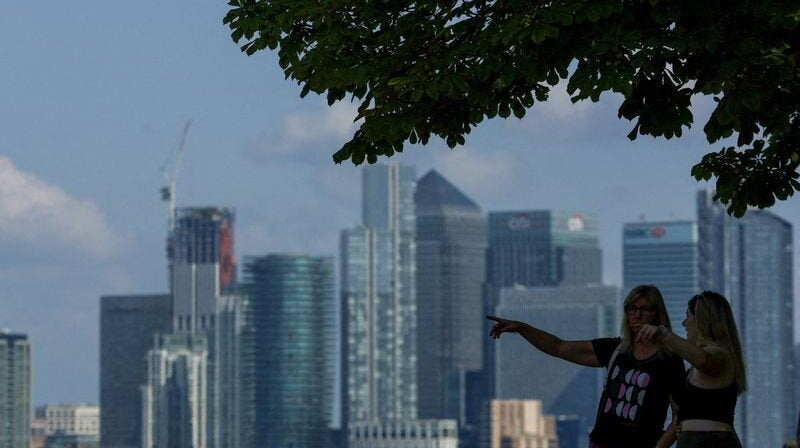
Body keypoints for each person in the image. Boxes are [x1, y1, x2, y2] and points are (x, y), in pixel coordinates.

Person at [487, 284, 684, 448]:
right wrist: (522, 328)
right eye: (632, 308)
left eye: (645, 309)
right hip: (601, 442)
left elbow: (679, 417)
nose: (637, 315)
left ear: (658, 314)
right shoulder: (615, 349)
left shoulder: (669, 360)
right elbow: (559, 347)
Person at [637, 291, 746, 448]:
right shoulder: (692, 371)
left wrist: (665, 335)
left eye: (688, 316)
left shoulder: (721, 356)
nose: (684, 323)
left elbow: (703, 359)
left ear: (702, 320)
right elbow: (679, 421)